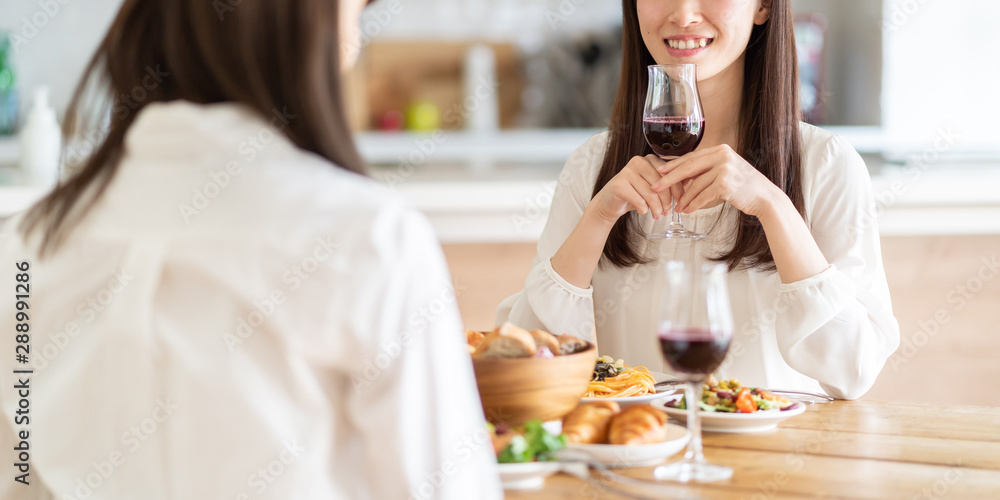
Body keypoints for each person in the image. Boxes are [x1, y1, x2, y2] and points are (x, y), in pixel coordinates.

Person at [0, 1, 501, 498]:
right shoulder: (369, 239)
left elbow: (18, 483)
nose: (353, 46)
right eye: (353, 13)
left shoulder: (23, 249)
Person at [498, 0, 899, 400]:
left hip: (780, 457)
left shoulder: (826, 164)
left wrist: (773, 207)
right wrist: (599, 218)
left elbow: (854, 371)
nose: (684, 14)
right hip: (645, 454)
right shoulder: (592, 168)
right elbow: (525, 365)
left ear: (763, 7)